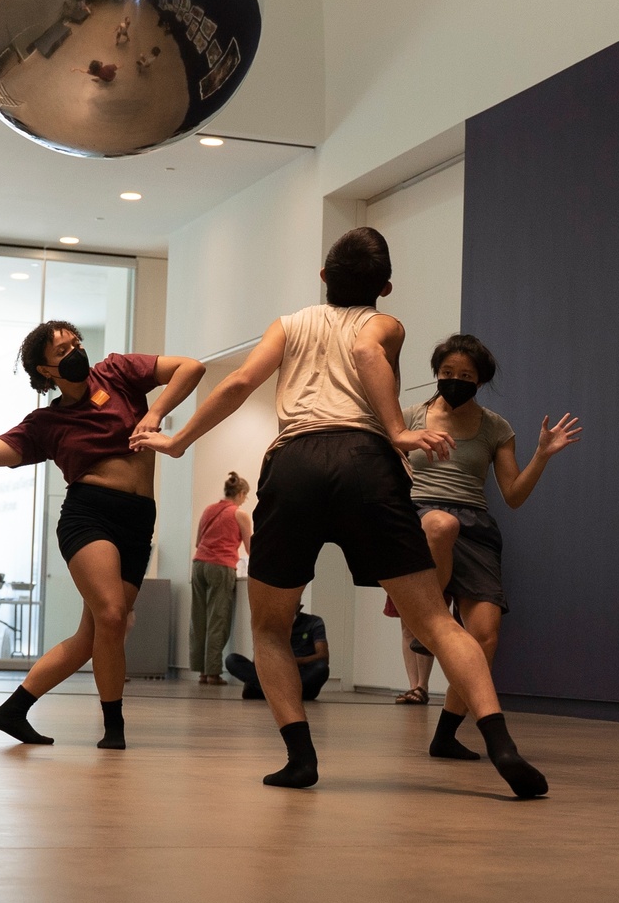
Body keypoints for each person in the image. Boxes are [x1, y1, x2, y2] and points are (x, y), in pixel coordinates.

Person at [131, 226, 548, 797]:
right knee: (434, 620)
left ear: (324, 277)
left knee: (271, 627)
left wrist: (177, 439)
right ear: (387, 286)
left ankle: (301, 759)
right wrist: (397, 431)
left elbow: (242, 382)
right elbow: (366, 348)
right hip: (364, 464)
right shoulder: (386, 323)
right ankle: (501, 744)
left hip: (294, 462)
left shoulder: (289, 323)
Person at [0, 321, 203, 749]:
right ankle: (113, 729)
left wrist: (153, 413)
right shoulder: (47, 422)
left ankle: (13, 709)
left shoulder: (117, 372)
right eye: (62, 351)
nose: (75, 352)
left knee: (94, 635)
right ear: (45, 371)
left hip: (138, 518)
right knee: (113, 616)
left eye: (75, 343)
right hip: (88, 516)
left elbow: (192, 368)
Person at [388, 334, 580, 758]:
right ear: (436, 374)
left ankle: (446, 735)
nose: (455, 381)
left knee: (485, 636)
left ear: (480, 381)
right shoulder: (408, 418)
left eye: (465, 376)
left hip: (476, 527)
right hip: (422, 518)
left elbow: (512, 494)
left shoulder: (495, 427)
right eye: (447, 374)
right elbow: (384, 475)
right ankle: (429, 623)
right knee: (441, 524)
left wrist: (542, 455)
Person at [190, 471, 252, 685]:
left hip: (199, 564)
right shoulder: (239, 514)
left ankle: (201, 671)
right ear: (241, 493)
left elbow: (199, 541)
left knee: (198, 619)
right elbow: (250, 547)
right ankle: (213, 672)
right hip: (221, 565)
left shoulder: (209, 510)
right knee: (218, 619)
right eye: (245, 496)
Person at [225, 606, 329, 701]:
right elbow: (258, 658)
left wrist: (293, 661)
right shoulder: (270, 623)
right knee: (232, 660)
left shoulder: (314, 622)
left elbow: (323, 655)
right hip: (273, 673)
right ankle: (282, 692)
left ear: (298, 608)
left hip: (300, 674)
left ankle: (264, 690)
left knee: (321, 667)